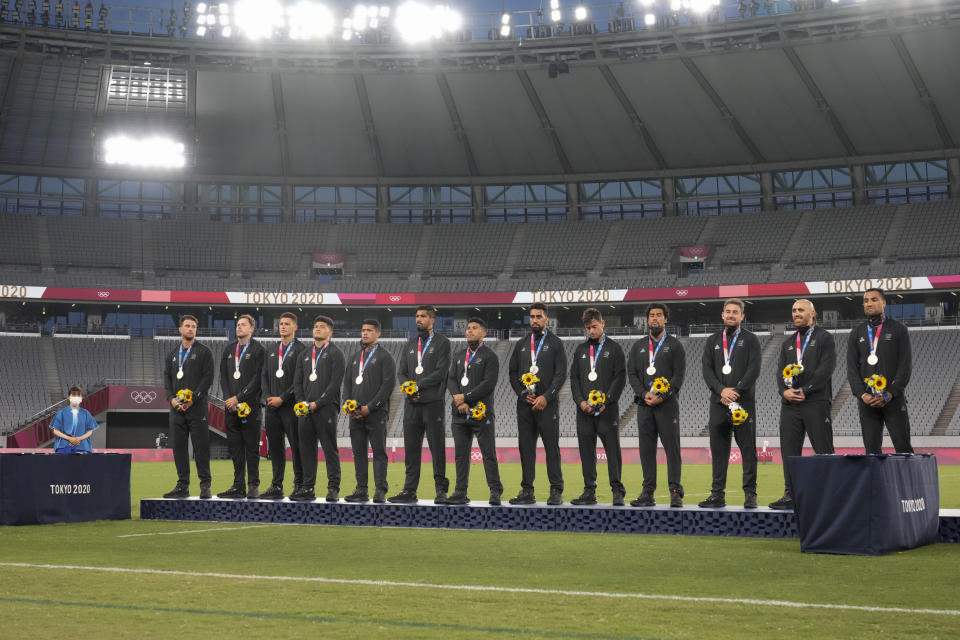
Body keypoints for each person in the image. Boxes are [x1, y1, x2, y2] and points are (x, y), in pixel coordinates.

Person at [769, 298, 836, 510]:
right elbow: (780, 372)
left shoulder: (825, 338)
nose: (796, 313)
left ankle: (831, 495)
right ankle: (790, 494)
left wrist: (804, 390)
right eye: (794, 310)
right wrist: (784, 391)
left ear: (812, 313)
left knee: (823, 450)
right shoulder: (788, 343)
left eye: (801, 310)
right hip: (790, 405)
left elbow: (826, 369)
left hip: (816, 402)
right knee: (789, 451)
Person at [699, 298, 761, 509]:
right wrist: (721, 390)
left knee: (748, 450)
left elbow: (754, 370)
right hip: (718, 403)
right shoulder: (712, 340)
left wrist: (736, 391)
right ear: (722, 315)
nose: (731, 315)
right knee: (718, 451)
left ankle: (750, 494)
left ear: (742, 316)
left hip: (743, 403)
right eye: (728, 311)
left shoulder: (751, 340)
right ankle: (717, 495)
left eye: (735, 312)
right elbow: (707, 370)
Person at [389, 306, 452, 504]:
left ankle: (441, 490)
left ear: (432, 320)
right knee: (412, 449)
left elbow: (441, 372)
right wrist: (409, 388)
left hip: (432, 403)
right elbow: (401, 372)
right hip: (412, 405)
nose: (418, 319)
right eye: (417, 316)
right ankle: (409, 490)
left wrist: (417, 386)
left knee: (437, 448)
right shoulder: (410, 343)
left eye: (423, 316)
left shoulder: (443, 343)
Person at [507, 302, 567, 505]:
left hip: (547, 405)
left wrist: (546, 397)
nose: (534, 320)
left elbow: (560, 375)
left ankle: (556, 490)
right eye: (532, 316)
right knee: (526, 448)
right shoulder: (521, 344)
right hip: (525, 405)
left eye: (538, 316)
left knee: (552, 448)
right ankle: (527, 491)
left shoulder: (556, 343)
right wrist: (522, 394)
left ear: (546, 318)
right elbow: (513, 372)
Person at [628, 303, 686, 507]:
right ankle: (648, 492)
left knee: (672, 449)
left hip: (667, 406)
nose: (655, 319)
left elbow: (678, 377)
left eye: (659, 315)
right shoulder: (638, 346)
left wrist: (662, 395)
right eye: (651, 315)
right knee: (646, 450)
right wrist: (644, 394)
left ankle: (675, 491)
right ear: (647, 319)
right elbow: (632, 374)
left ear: (665, 319)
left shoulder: (675, 345)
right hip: (644, 406)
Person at [569, 307, 627, 506]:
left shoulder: (614, 348)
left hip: (607, 411)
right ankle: (589, 491)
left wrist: (607, 401)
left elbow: (620, 378)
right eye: (588, 328)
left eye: (594, 326)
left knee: (612, 450)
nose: (591, 331)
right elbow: (574, 378)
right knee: (586, 451)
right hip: (584, 412)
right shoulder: (580, 350)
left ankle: (617, 490)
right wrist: (580, 401)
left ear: (602, 324)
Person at [847, 288, 913, 454]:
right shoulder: (856, 333)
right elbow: (852, 370)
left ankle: (907, 481)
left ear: (884, 303)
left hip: (893, 400)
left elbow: (905, 367)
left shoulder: (899, 329)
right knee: (871, 450)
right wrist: (863, 395)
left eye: (874, 299)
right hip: (867, 403)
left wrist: (889, 393)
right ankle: (876, 481)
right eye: (866, 300)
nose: (869, 303)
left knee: (903, 447)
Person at [445, 317, 503, 505]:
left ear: (483, 333)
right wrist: (458, 399)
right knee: (461, 455)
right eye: (468, 328)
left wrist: (466, 397)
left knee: (488, 453)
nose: (469, 331)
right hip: (459, 413)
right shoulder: (458, 355)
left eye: (474, 328)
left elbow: (489, 384)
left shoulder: (490, 356)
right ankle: (460, 492)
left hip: (481, 412)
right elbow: (451, 379)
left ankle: (495, 491)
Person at [341, 319, 396, 503]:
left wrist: (369, 407)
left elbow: (387, 387)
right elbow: (347, 384)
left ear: (378, 333)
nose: (365, 333)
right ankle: (361, 489)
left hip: (376, 413)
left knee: (379, 452)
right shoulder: (355, 357)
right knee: (359, 453)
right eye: (363, 330)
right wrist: (349, 405)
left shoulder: (385, 357)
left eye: (369, 330)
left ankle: (380, 489)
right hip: (355, 415)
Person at [292, 315, 346, 502]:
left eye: (322, 327)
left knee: (329, 449)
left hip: (326, 409)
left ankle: (333, 488)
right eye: (315, 326)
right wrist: (301, 403)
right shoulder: (304, 354)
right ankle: (307, 488)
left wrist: (317, 403)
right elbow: (297, 382)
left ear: (330, 332)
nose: (317, 329)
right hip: (305, 410)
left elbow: (334, 384)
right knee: (307, 449)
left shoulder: (336, 353)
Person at [162, 314, 215, 499]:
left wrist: (194, 399)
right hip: (176, 409)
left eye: (193, 326)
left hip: (197, 408)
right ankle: (182, 485)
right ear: (180, 329)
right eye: (187, 326)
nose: (190, 329)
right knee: (179, 448)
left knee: (201, 447)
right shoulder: (171, 355)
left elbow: (208, 379)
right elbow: (167, 379)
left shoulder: (204, 352)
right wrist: (171, 399)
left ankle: (205, 485)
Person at [217, 314, 266, 499]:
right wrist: (229, 398)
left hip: (250, 407)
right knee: (236, 449)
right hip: (231, 408)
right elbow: (223, 377)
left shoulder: (258, 350)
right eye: (237, 324)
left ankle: (253, 485)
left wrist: (238, 397)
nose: (239, 327)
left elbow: (258, 379)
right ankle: (238, 486)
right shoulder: (229, 349)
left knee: (251, 448)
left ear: (251, 329)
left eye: (243, 325)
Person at [260, 311, 306, 500]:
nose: (283, 326)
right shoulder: (271, 349)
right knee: (276, 448)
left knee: (296, 446)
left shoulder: (302, 350)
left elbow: (300, 380)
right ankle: (276, 485)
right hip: (272, 407)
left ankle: (299, 484)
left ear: (295, 327)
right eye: (281, 324)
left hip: (290, 406)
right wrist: (269, 397)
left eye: (287, 324)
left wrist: (283, 397)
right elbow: (263, 376)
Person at [50, 386, 98, 453]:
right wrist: (69, 439)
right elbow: (55, 431)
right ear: (69, 397)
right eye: (74, 395)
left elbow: (90, 431)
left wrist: (79, 439)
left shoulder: (86, 413)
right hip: (64, 446)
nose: (76, 398)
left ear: (81, 398)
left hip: (82, 447)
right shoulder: (61, 413)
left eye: (78, 396)